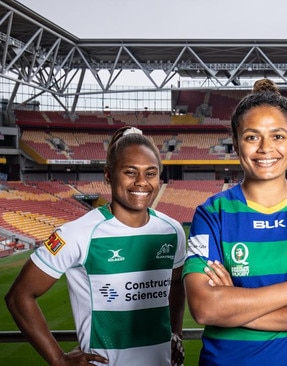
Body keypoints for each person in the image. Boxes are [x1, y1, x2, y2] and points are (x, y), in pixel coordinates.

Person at [183, 78, 287, 366]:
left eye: (277, 136)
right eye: (251, 137)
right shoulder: (211, 214)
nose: (265, 148)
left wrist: (236, 307)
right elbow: (205, 308)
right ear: (236, 144)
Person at [5, 126, 187, 366]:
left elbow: (175, 282)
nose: (142, 182)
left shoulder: (172, 230)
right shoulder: (76, 233)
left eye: (150, 173)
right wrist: (59, 359)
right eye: (130, 172)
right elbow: (19, 296)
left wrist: (176, 332)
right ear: (109, 175)